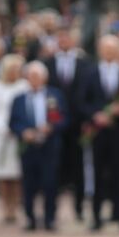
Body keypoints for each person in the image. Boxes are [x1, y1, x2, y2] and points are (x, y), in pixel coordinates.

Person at [78, 34, 119, 232]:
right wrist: (95, 115)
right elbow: (81, 101)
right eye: (105, 48)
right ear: (99, 51)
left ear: (117, 51)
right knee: (97, 173)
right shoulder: (90, 73)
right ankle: (97, 216)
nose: (108, 52)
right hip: (98, 132)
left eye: (112, 48)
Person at [9, 62, 67, 232]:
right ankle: (30, 218)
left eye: (38, 77)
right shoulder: (19, 98)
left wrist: (51, 127)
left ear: (44, 78)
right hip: (28, 147)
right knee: (29, 185)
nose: (34, 80)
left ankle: (50, 218)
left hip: (49, 146)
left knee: (50, 183)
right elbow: (13, 122)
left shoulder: (55, 95)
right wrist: (23, 132)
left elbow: (64, 119)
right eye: (31, 77)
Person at [44, 29, 90, 223]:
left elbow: (88, 93)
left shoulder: (84, 64)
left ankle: (79, 209)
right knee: (54, 169)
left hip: (78, 125)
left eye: (67, 37)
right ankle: (51, 213)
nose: (63, 40)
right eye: (60, 37)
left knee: (78, 168)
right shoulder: (47, 64)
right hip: (54, 127)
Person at [0, 54, 28, 225]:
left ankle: (15, 207)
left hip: (17, 133)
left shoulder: (23, 86)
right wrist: (2, 127)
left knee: (16, 173)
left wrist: (16, 127)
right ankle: (5, 207)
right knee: (2, 173)